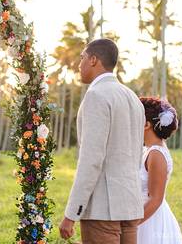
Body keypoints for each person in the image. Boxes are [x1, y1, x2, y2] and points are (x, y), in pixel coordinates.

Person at [59, 38, 145, 244]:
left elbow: (91, 161)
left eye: (82, 58)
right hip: (130, 206)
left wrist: (71, 214)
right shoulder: (132, 97)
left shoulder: (96, 96)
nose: (79, 65)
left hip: (102, 209)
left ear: (94, 60)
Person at [137, 97, 182, 244]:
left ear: (146, 124)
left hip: (149, 220)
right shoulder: (147, 150)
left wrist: (130, 225)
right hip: (142, 214)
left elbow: (155, 199)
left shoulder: (156, 154)